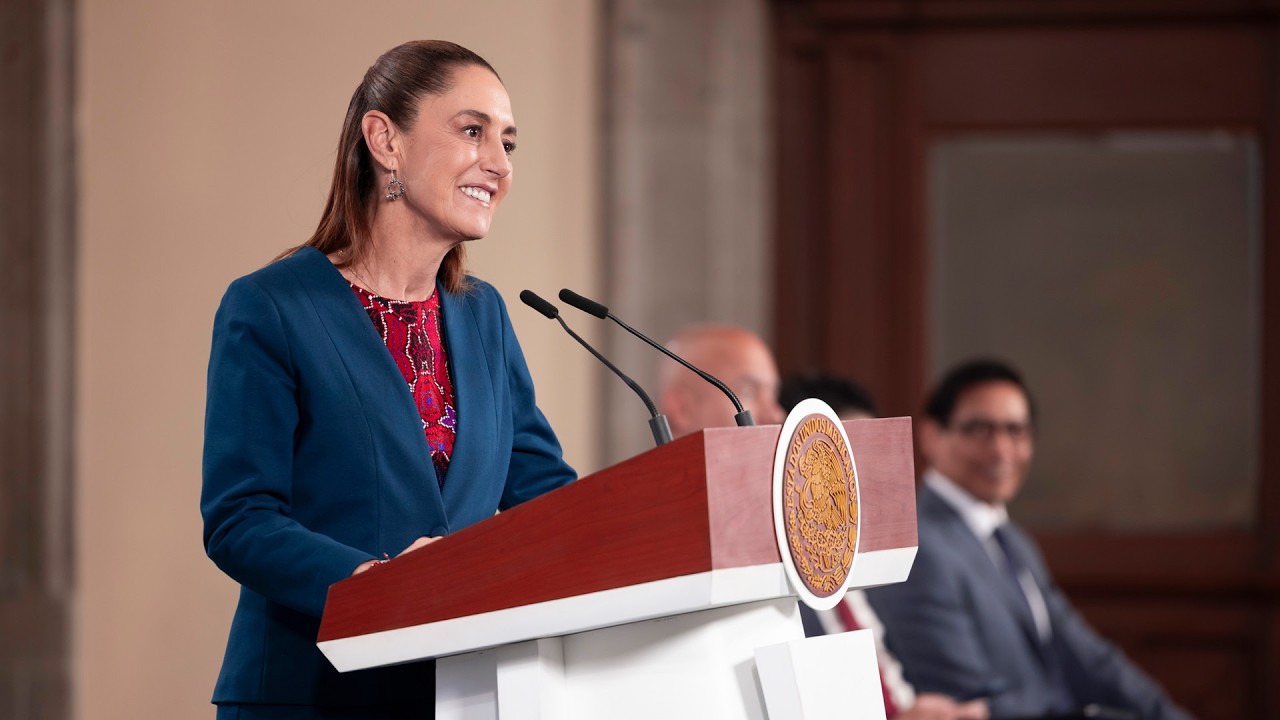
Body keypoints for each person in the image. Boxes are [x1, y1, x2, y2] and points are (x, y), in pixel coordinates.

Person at [200, 41, 576, 719]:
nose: (498, 163)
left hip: (458, 696)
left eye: (508, 143)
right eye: (472, 131)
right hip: (310, 695)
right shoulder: (273, 307)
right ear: (385, 141)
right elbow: (239, 519)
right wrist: (375, 584)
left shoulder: (482, 314)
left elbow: (543, 497)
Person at [657, 334, 984, 720]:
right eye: (750, 390)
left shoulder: (806, 532)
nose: (776, 413)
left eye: (775, 394)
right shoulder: (674, 546)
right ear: (681, 407)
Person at [867, 359, 1191, 720]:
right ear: (931, 436)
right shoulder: (918, 547)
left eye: (1016, 431)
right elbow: (969, 702)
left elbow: (1088, 658)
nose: (1002, 450)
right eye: (980, 430)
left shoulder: (1013, 541)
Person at [780, 371, 988, 720]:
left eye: (869, 457)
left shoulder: (856, 570)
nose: (862, 480)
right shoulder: (786, 583)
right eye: (846, 460)